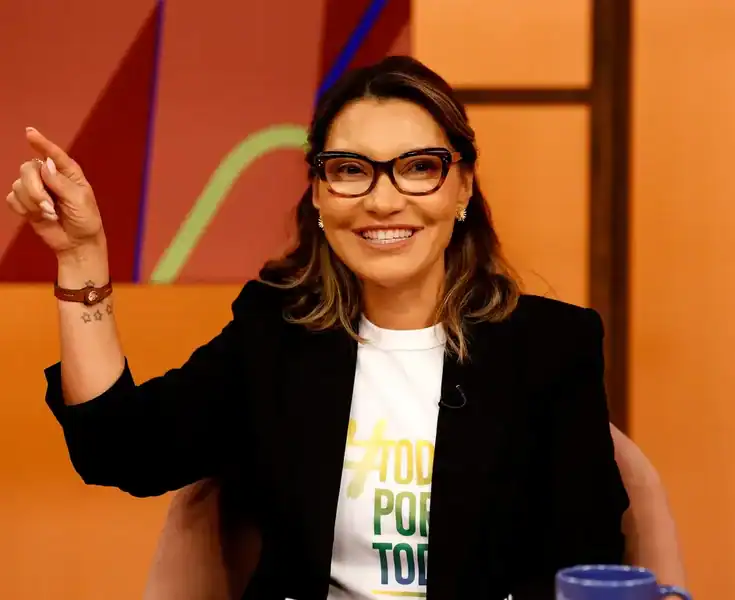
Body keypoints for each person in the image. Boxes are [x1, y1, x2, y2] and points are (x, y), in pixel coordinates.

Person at [6, 56, 629, 600]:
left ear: (462, 188)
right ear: (319, 195)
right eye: (351, 170)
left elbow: (583, 566)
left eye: (418, 167)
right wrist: (80, 256)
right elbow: (120, 449)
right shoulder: (276, 333)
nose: (382, 200)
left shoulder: (551, 348)